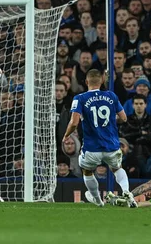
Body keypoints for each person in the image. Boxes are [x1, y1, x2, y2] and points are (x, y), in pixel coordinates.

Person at [62, 69, 136, 207]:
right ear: (102, 81)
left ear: (86, 82)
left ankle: (97, 200)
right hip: (111, 145)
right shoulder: (111, 96)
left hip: (92, 147)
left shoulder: (80, 98)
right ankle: (126, 191)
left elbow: (74, 122)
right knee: (117, 168)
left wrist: (66, 135)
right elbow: (124, 118)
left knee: (87, 171)